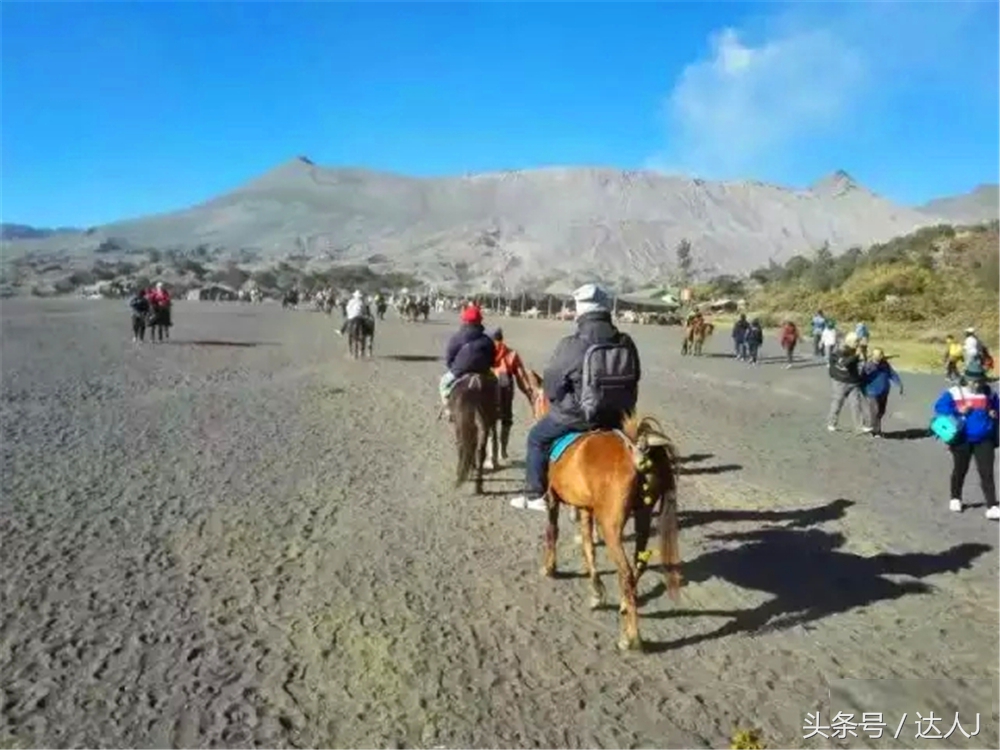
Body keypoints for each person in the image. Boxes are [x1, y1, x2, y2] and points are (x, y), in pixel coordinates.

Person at [509, 283, 641, 511]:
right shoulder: (626, 342)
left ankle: (535, 494)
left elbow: (551, 387)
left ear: (580, 310)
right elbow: (635, 375)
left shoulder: (572, 344)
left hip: (578, 416)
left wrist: (562, 398)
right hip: (619, 417)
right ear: (606, 309)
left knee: (536, 438)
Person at [933, 363, 999, 520]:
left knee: (987, 473)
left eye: (980, 381)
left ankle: (992, 506)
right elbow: (939, 407)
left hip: (984, 438)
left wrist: (994, 412)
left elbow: (997, 407)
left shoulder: (989, 392)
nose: (976, 384)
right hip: (961, 438)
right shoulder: (954, 392)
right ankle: (955, 498)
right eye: (973, 381)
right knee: (960, 469)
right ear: (966, 379)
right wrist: (958, 410)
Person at [439, 304, 495, 418]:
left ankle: (448, 409)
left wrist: (453, 368)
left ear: (465, 321)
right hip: (482, 371)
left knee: (443, 383)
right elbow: (492, 358)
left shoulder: (457, 337)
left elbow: (449, 356)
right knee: (496, 383)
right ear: (480, 322)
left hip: (460, 371)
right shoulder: (487, 339)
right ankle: (497, 407)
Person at [490, 328, 529, 465]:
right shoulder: (512, 354)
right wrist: (527, 392)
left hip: (490, 387)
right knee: (506, 420)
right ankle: (503, 451)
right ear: (502, 338)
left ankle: (492, 457)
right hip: (505, 387)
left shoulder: (486, 353)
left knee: (490, 422)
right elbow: (521, 376)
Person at [827, 332, 864, 432]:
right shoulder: (841, 350)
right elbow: (845, 363)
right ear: (850, 341)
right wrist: (856, 355)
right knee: (838, 402)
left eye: (859, 341)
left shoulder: (856, 350)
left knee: (856, 404)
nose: (858, 343)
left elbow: (859, 363)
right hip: (840, 381)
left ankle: (859, 426)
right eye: (856, 341)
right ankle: (831, 423)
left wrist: (861, 355)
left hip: (853, 382)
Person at [861, 348, 903, 436]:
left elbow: (892, 374)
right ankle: (875, 431)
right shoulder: (868, 366)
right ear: (872, 356)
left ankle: (875, 428)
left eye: (880, 354)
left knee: (881, 411)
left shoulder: (885, 364)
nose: (878, 357)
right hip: (871, 392)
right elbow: (862, 379)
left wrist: (899, 384)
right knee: (874, 410)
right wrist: (863, 390)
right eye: (876, 355)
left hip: (884, 391)